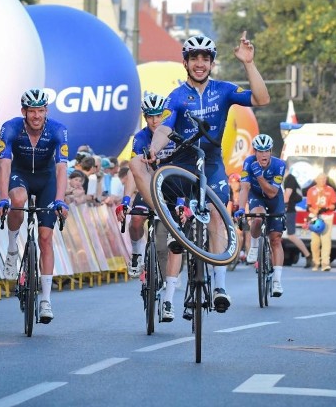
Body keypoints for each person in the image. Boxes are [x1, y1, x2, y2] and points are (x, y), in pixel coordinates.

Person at [129, 32, 270, 315]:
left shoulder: (225, 90)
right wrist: (155, 149)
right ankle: (168, 219)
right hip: (183, 161)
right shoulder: (177, 96)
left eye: (205, 58)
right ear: (186, 62)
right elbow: (165, 129)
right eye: (194, 58)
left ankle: (219, 286)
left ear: (212, 63)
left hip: (212, 161)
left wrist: (248, 63)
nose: (200, 63)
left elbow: (262, 98)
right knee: (136, 164)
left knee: (217, 215)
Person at [0, 88, 69, 324]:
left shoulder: (58, 129)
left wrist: (60, 199)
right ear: (23, 112)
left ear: (46, 111)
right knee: (17, 200)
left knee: (46, 238)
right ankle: (12, 248)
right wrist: (2, 198)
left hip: (47, 179)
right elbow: (4, 164)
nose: (36, 115)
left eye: (40, 110)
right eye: (31, 111)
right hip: (21, 175)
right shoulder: (11, 127)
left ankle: (45, 300)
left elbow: (61, 168)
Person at [117, 93, 175, 289]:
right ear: (145, 117)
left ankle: (173, 271)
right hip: (148, 185)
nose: (154, 120)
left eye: (158, 115)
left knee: (165, 236)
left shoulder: (172, 133)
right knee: (136, 219)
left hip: (171, 187)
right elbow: (134, 172)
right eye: (150, 116)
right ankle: (136, 253)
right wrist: (126, 200)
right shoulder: (141, 138)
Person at [236, 134, 287, 297]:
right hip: (256, 196)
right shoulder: (248, 162)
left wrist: (259, 176)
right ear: (255, 151)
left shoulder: (279, 165)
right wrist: (241, 209)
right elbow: (244, 187)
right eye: (260, 151)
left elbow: (272, 193)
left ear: (271, 151)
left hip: (274, 198)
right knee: (257, 217)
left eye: (266, 151)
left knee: (276, 239)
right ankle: (255, 245)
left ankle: (277, 281)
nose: (263, 155)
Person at [306, 173, 336, 271]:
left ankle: (325, 263)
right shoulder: (311, 190)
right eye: (320, 179)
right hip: (315, 217)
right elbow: (308, 205)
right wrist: (313, 211)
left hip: (327, 217)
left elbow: (334, 204)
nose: (322, 181)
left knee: (326, 240)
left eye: (324, 179)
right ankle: (316, 261)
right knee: (315, 242)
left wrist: (326, 208)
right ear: (316, 180)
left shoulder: (330, 190)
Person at [283, 169, 313, 268]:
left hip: (288, 211)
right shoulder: (286, 179)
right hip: (288, 210)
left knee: (291, 235)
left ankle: (308, 255)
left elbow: (287, 197)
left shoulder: (289, 179)